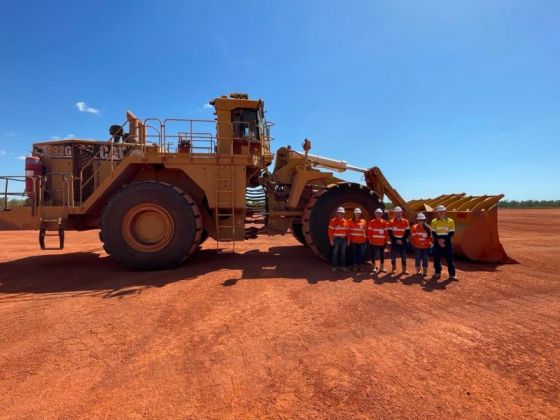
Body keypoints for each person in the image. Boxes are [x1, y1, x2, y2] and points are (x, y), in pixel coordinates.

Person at [431, 205, 457, 280]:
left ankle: (452, 275)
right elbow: (433, 233)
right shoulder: (434, 221)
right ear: (437, 213)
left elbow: (452, 232)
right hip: (437, 242)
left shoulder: (450, 221)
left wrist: (443, 240)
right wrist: (439, 241)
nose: (441, 213)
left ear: (445, 212)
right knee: (436, 258)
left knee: (449, 258)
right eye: (439, 211)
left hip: (447, 242)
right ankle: (437, 273)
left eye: (442, 211)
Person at [387, 206, 410, 274]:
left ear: (401, 213)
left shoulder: (405, 221)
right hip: (394, 242)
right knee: (393, 256)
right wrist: (396, 240)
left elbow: (407, 232)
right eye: (396, 212)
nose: (398, 214)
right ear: (394, 213)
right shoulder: (391, 222)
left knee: (403, 256)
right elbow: (390, 233)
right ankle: (394, 269)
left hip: (403, 242)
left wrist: (402, 240)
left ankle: (404, 270)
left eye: (399, 212)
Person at [367, 208, 389, 273]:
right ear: (375, 214)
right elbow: (369, 232)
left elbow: (386, 233)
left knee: (382, 255)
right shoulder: (372, 222)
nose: (378, 215)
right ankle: (374, 267)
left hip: (382, 242)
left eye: (380, 213)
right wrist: (370, 239)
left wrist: (386, 240)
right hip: (374, 242)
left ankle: (382, 268)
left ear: (381, 214)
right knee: (373, 255)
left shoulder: (384, 222)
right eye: (377, 213)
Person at [328, 207, 349, 272]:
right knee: (335, 253)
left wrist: (348, 240)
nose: (341, 214)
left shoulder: (345, 221)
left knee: (343, 253)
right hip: (336, 239)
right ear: (337, 213)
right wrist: (331, 240)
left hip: (344, 240)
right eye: (340, 213)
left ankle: (342, 266)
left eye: (342, 213)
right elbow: (330, 231)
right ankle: (334, 267)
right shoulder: (333, 221)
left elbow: (347, 232)